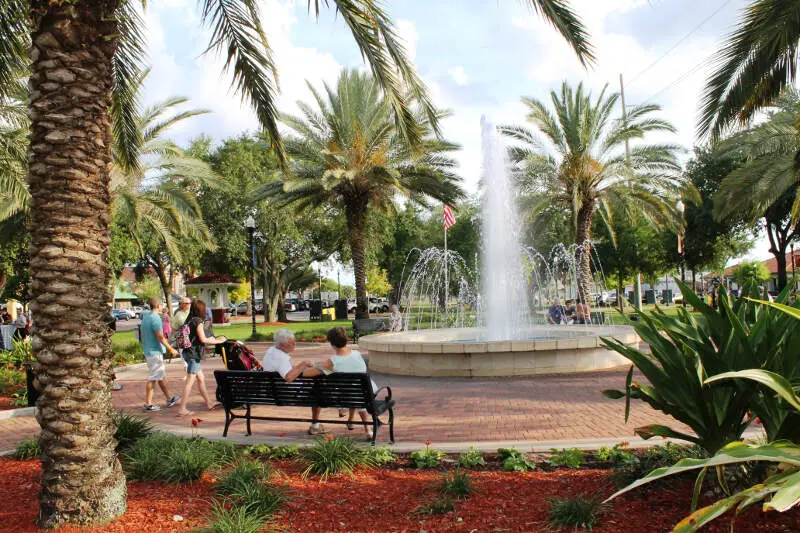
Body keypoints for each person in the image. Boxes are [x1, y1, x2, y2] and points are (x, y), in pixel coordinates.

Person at [302, 326, 374, 441]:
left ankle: (316, 424)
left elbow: (306, 374)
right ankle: (368, 430)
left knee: (318, 392)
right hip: (366, 394)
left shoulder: (332, 362)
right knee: (355, 391)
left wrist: (305, 365)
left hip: (344, 397)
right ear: (346, 339)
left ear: (332, 343)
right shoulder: (357, 354)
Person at [261, 329, 321, 433]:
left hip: (273, 391)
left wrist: (298, 368)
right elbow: (288, 377)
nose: (294, 344)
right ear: (282, 345)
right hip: (286, 394)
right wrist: (303, 364)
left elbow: (282, 369)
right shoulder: (280, 357)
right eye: (291, 342)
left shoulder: (271, 351)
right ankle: (315, 425)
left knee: (312, 383)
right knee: (318, 389)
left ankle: (316, 425)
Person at [176, 299, 226, 417]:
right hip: (193, 355)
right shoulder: (198, 321)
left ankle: (209, 403)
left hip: (188, 353)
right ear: (201, 310)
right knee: (190, 381)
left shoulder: (189, 320)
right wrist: (218, 341)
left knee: (200, 378)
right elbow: (203, 339)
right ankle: (182, 408)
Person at [141, 298, 180, 411]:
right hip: (154, 352)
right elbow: (160, 337)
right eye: (162, 304)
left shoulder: (146, 317)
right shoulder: (155, 318)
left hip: (149, 350)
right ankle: (148, 404)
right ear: (158, 306)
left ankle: (169, 398)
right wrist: (170, 349)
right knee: (153, 377)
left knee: (160, 376)